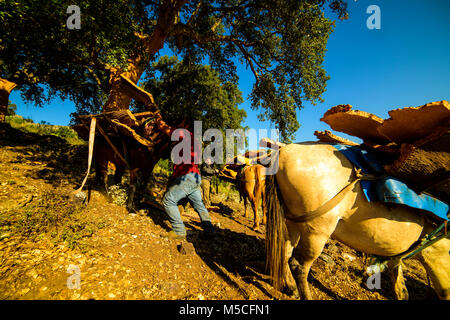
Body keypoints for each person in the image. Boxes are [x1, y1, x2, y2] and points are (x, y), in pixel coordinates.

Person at [154, 113, 216, 240]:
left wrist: (158, 119)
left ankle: (179, 230)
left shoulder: (185, 134)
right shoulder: (196, 142)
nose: (178, 125)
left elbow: (164, 128)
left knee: (168, 200)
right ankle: (210, 230)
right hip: (195, 177)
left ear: (187, 125)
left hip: (187, 177)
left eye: (181, 123)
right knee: (199, 205)